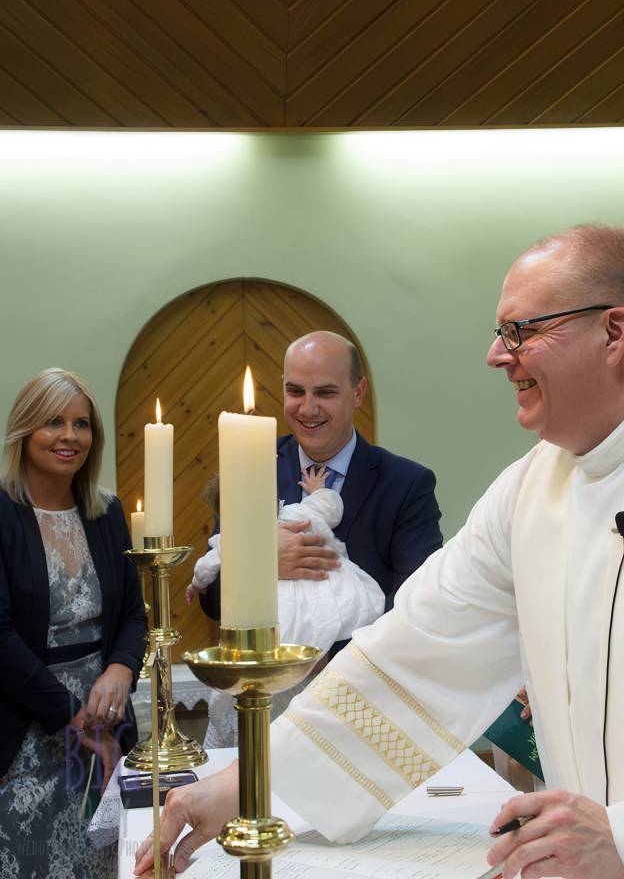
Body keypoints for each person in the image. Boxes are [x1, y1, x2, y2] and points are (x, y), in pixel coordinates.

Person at [135, 224, 624, 879]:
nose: (496, 355)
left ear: (614, 332)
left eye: (520, 331)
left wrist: (618, 835)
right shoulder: (529, 491)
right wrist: (243, 784)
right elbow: (413, 652)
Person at [0, 368, 147, 878]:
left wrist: (121, 669)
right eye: (53, 422)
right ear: (24, 431)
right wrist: (73, 717)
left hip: (106, 718)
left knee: (103, 861)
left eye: (81, 424)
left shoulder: (106, 513)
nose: (69, 436)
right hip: (23, 729)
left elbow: (133, 613)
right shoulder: (2, 512)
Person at [200, 331, 443, 635]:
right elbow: (211, 600)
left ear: (358, 393)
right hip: (267, 658)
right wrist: (259, 562)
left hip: (362, 661)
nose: (307, 408)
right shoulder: (251, 467)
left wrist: (341, 659)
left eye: (325, 393)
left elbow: (418, 601)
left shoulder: (406, 485)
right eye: (295, 391)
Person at [186, 466, 385, 747]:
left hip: (319, 613)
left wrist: (196, 585)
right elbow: (329, 507)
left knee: (292, 630)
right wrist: (318, 490)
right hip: (308, 598)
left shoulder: (237, 537)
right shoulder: (296, 513)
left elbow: (205, 569)